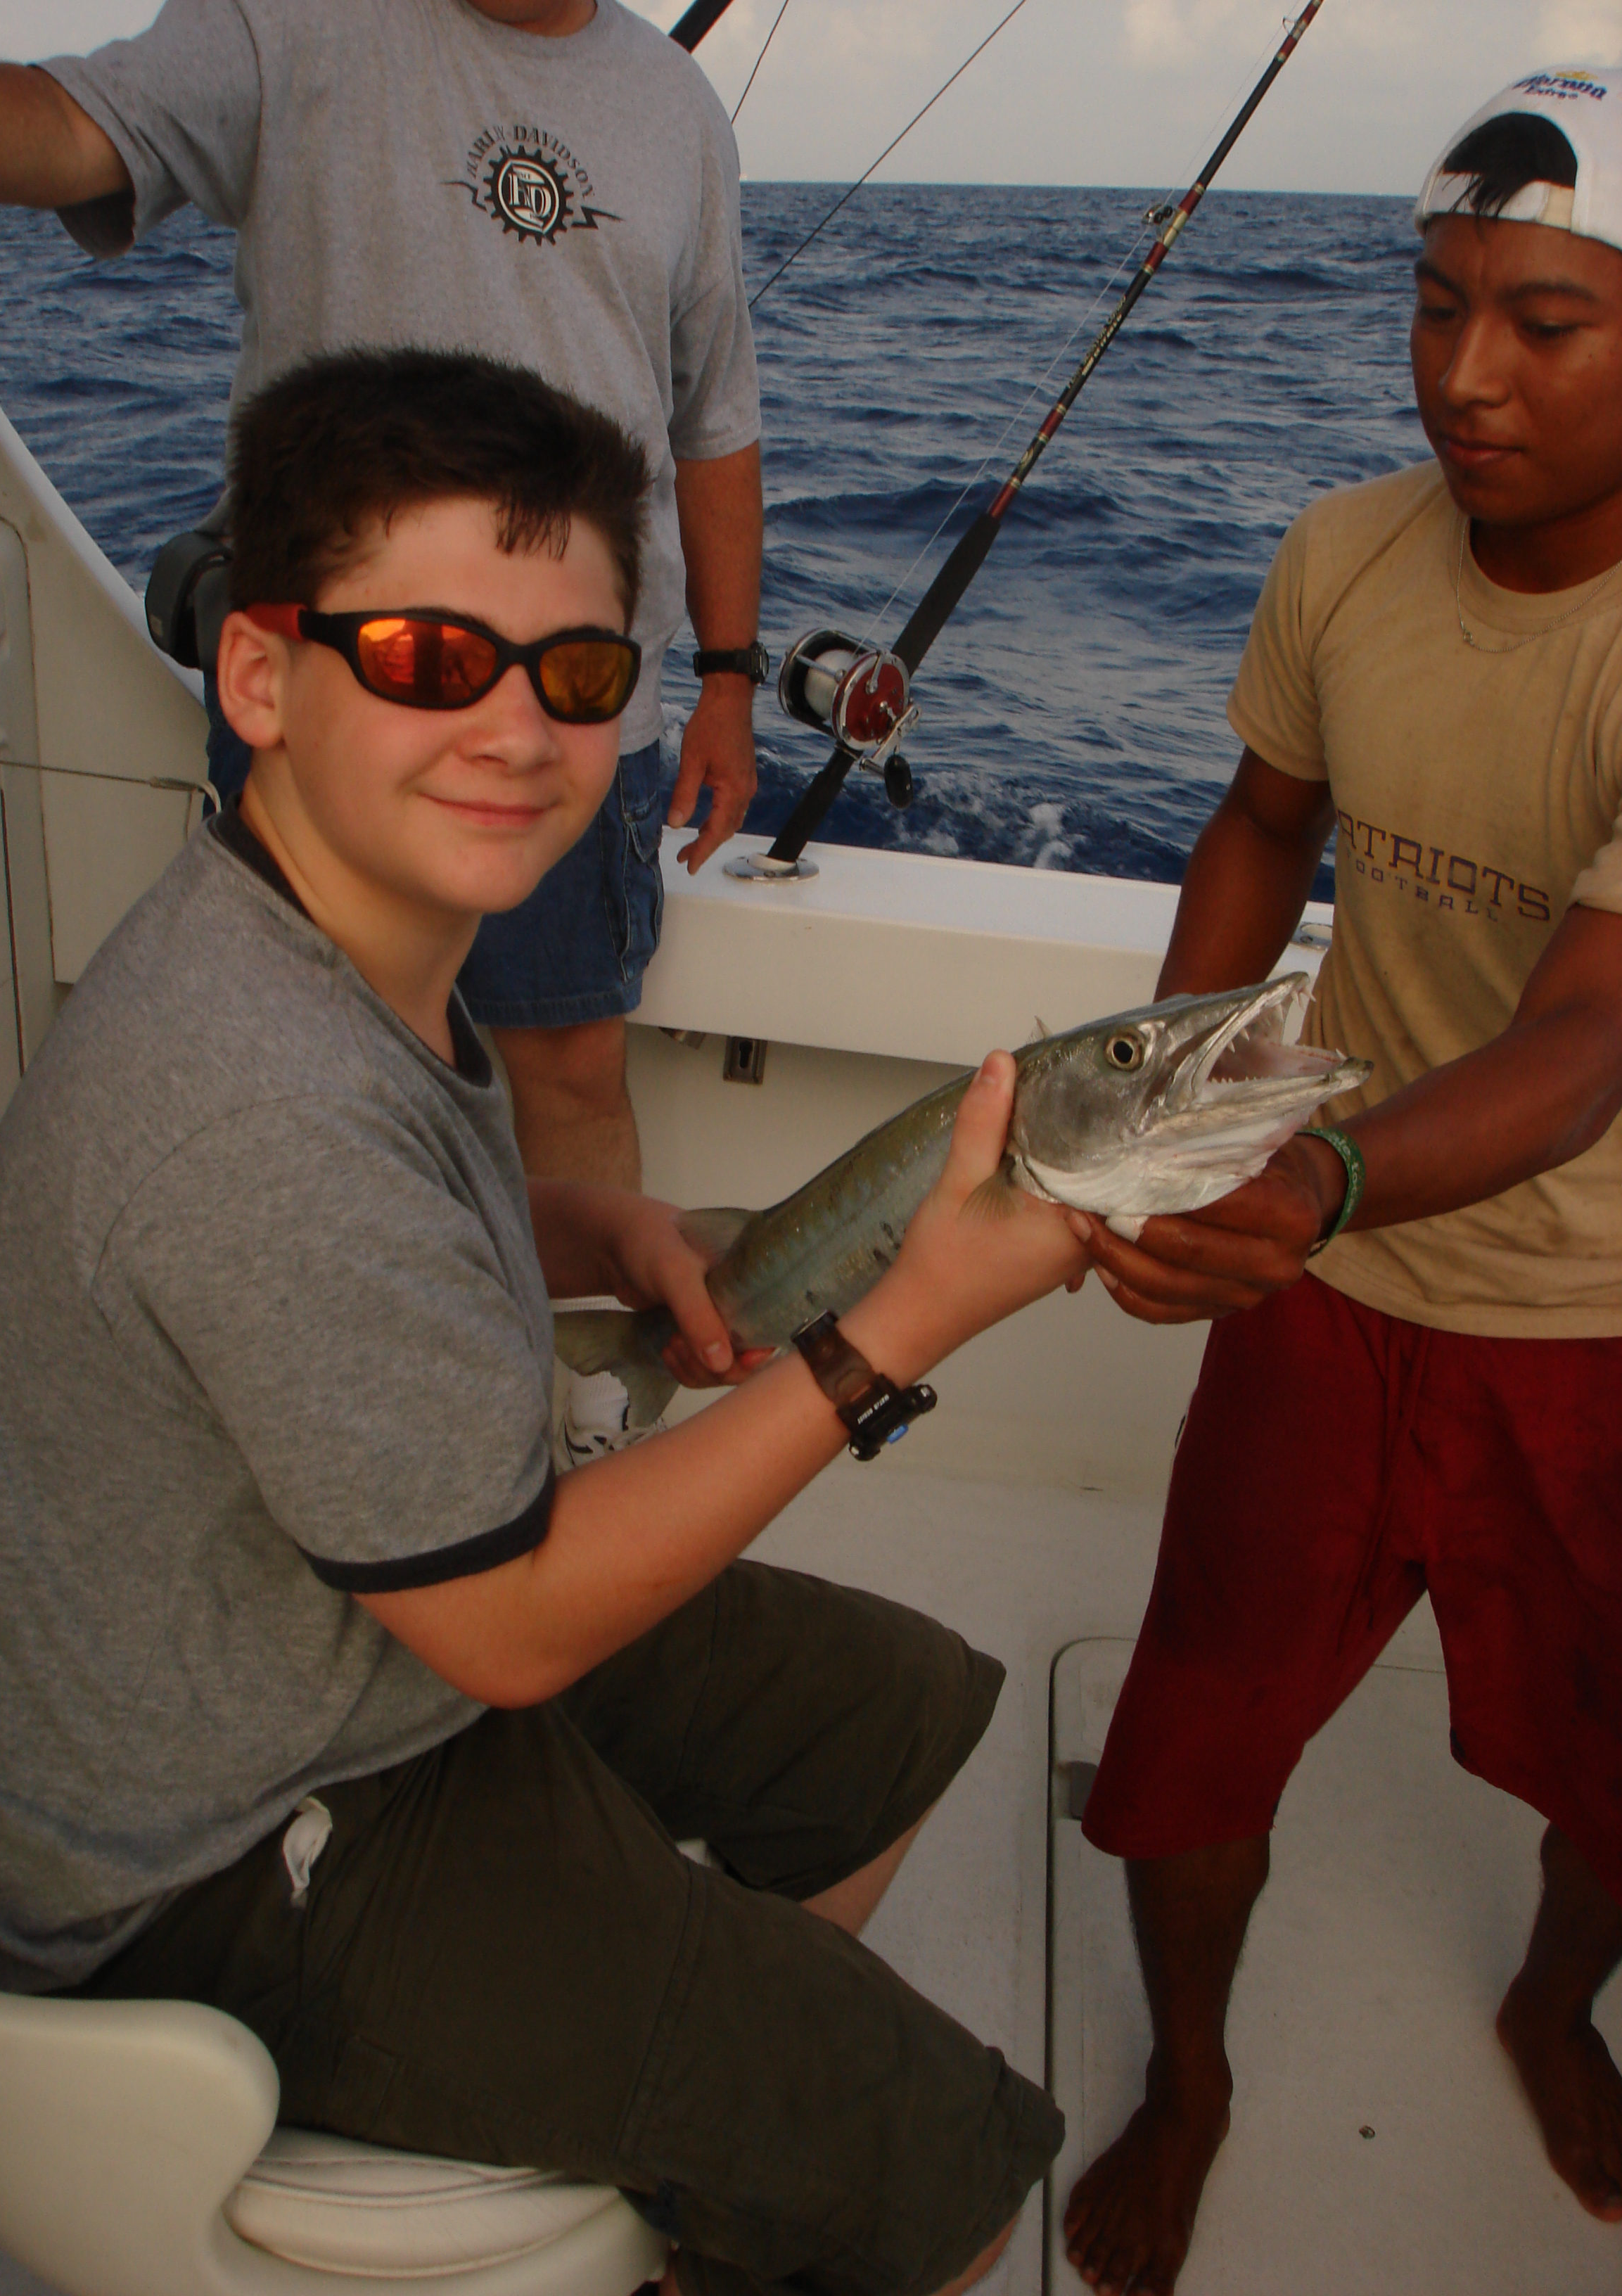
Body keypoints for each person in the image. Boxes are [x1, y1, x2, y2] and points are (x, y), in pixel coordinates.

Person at [0, 347, 1086, 2296]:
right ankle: (748, 2127)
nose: (518, 729)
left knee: (881, 1718)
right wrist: (901, 1328)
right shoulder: (255, 1101)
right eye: (431, 658)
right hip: (172, 1860)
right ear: (260, 676)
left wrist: (594, 1224)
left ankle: (698, 2148)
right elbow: (514, 1626)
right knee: (943, 2181)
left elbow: (362, 1255)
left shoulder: (337, 933)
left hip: (296, 1646)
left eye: (579, 671)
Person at [1053, 70, 1622, 2296]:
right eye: (1437, 302)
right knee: (1198, 1724)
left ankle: (1551, 2007)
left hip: (1583, 1316)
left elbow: (1587, 1045)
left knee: (1615, 1770)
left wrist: (1314, 1179)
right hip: (1329, 1274)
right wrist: (1167, 1121)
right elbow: (1261, 824)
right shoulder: (1342, 553)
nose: (1466, 373)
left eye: (1547, 323)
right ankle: (1192, 2079)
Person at [0, 0, 764, 1208]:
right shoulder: (291, 16)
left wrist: (728, 678)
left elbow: (715, 419)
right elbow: (67, 128)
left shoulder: (677, 109)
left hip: (572, 704)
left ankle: (561, 1339)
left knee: (571, 1067)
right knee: (309, 1062)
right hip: (348, 697)